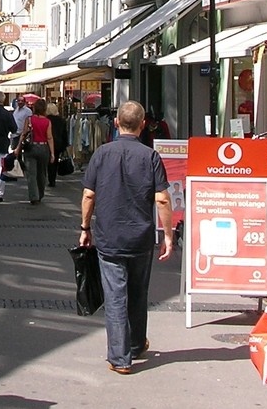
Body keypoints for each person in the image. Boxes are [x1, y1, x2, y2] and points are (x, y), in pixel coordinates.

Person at [80, 101, 174, 375]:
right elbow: (162, 199)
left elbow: (89, 194)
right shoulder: (150, 156)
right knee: (137, 292)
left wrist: (85, 228)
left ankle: (120, 358)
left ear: (116, 123)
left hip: (109, 236)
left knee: (115, 295)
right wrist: (168, 235)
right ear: (143, 125)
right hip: (141, 237)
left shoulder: (101, 154)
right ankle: (135, 344)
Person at [14, 98, 54, 205]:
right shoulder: (47, 121)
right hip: (43, 148)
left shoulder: (29, 119)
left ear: (34, 108)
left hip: (30, 148)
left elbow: (23, 134)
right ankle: (40, 194)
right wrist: (52, 153)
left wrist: (18, 147)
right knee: (42, 173)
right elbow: (49, 137)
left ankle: (34, 196)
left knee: (31, 174)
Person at [46, 103, 69, 188]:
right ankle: (53, 179)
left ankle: (50, 178)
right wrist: (65, 144)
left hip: (48, 143)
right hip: (59, 143)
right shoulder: (62, 120)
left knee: (48, 162)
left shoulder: (46, 120)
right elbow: (64, 133)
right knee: (55, 162)